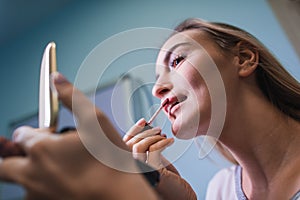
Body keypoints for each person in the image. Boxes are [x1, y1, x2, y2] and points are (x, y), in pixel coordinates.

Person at [0, 18, 299, 200]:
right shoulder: (221, 191)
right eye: (156, 79)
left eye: (177, 61)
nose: (157, 89)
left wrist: (120, 190)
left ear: (244, 58)